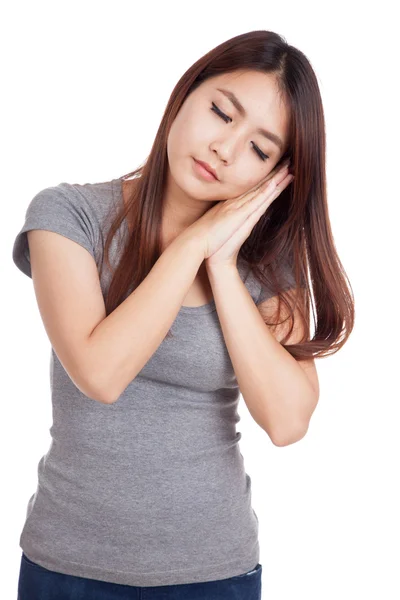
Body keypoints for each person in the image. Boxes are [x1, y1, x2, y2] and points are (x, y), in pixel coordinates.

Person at [12, 29, 354, 599]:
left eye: (260, 149)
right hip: (67, 563)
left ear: (275, 175)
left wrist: (222, 266)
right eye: (222, 112)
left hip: (213, 572)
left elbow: (288, 421)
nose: (225, 148)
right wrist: (192, 246)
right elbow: (100, 373)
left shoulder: (268, 265)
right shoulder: (69, 215)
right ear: (185, 93)